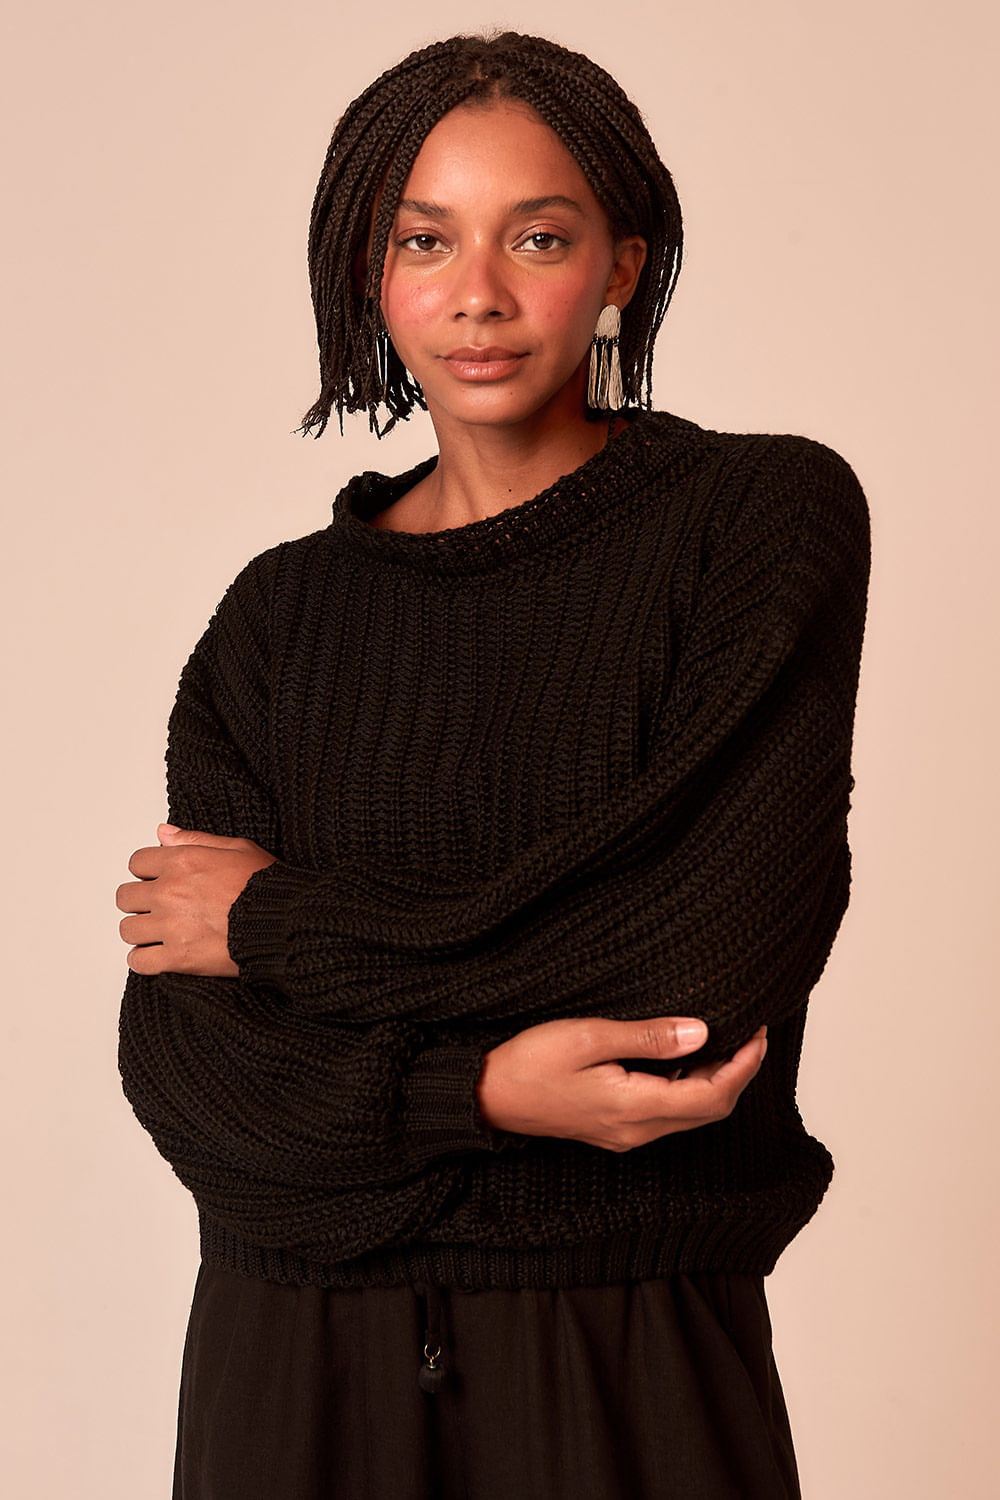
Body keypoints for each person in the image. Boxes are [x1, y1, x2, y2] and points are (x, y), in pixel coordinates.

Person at [116, 30, 870, 1500]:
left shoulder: (756, 519)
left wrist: (271, 924)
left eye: (538, 237)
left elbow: (701, 965)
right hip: (287, 1359)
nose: (479, 294)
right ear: (368, 273)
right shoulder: (279, 616)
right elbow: (191, 1065)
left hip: (627, 1345)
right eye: (424, 240)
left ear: (621, 267)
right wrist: (488, 1091)